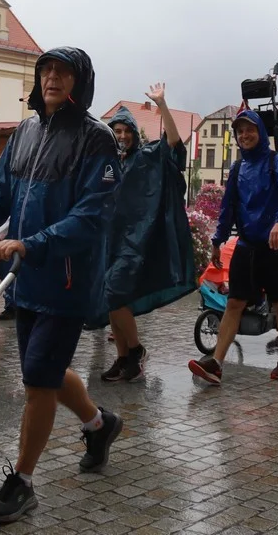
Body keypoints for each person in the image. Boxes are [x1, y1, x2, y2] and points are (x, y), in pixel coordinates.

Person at [0, 47, 123, 524]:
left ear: (80, 82)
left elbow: (92, 217)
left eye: (63, 72)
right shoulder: (26, 131)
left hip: (68, 278)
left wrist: (31, 242)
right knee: (47, 371)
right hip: (27, 274)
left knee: (38, 376)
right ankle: (100, 424)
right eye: (46, 71)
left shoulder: (97, 139)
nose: (52, 78)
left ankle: (25, 482)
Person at [188, 108, 278, 385]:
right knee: (235, 301)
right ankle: (216, 363)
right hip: (247, 244)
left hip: (275, 245)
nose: (245, 135)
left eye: (249, 129)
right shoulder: (238, 167)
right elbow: (228, 208)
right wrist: (217, 241)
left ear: (260, 132)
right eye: (240, 131)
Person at [97, 83, 195, 383]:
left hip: (136, 243)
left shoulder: (148, 156)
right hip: (111, 242)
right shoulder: (109, 163)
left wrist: (162, 105)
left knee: (113, 294)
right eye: (118, 131)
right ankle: (125, 359)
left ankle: (136, 350)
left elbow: (175, 147)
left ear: (135, 133)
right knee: (110, 300)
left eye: (127, 130)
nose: (123, 135)